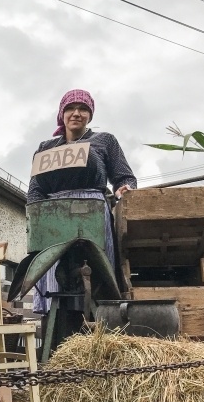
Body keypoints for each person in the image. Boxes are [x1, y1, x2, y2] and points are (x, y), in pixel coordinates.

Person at [27, 89, 137, 313]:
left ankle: (102, 316)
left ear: (90, 115)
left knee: (97, 272)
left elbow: (124, 177)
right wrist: (36, 221)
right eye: (70, 108)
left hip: (92, 214)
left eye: (83, 109)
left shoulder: (105, 140)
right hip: (53, 216)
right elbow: (36, 190)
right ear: (62, 113)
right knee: (55, 274)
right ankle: (56, 320)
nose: (76, 113)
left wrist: (124, 189)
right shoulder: (45, 148)